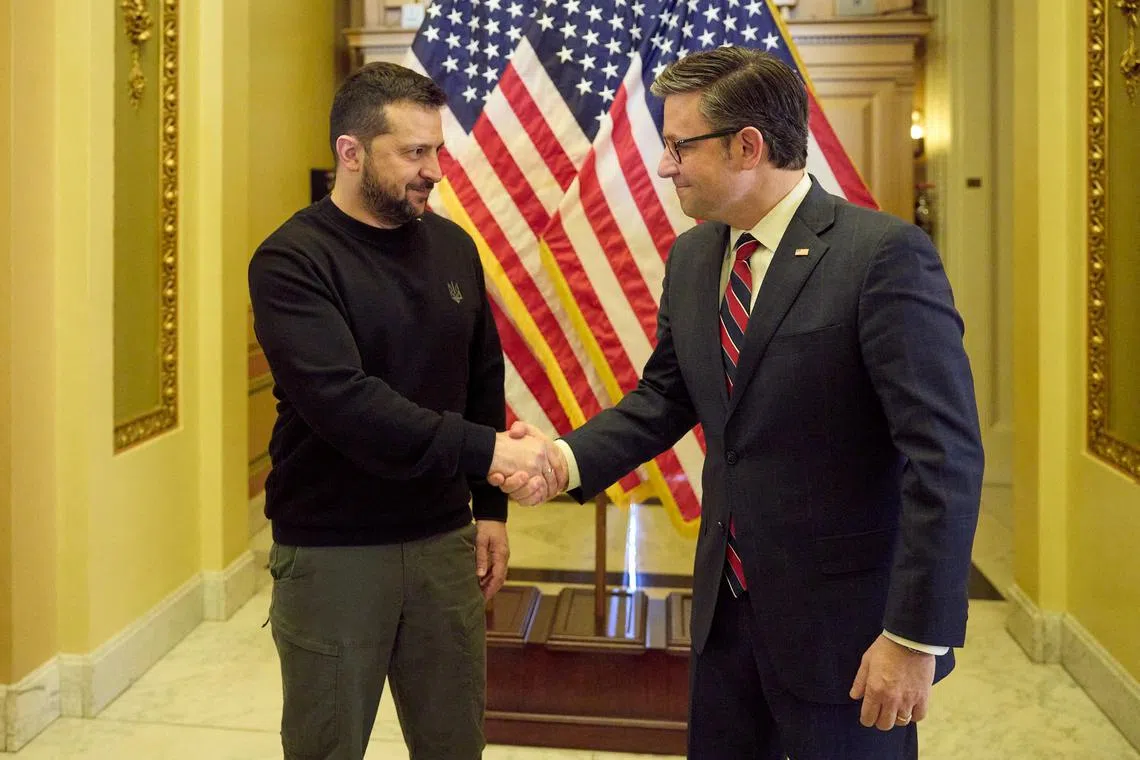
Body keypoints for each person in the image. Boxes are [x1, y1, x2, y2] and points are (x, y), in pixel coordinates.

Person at [492, 47, 984, 760]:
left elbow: (943, 457)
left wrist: (913, 638)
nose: (665, 166)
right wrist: (559, 462)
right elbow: (664, 399)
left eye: (679, 145)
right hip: (725, 623)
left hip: (844, 636)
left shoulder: (880, 256)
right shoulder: (695, 258)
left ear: (748, 145)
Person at [249, 62, 556, 760]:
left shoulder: (452, 246)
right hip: (333, 550)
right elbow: (345, 403)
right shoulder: (292, 261)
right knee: (326, 746)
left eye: (438, 150)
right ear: (350, 152)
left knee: (454, 744)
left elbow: (482, 377)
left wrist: (492, 512)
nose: (435, 170)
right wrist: (487, 452)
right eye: (414, 153)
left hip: (444, 544)